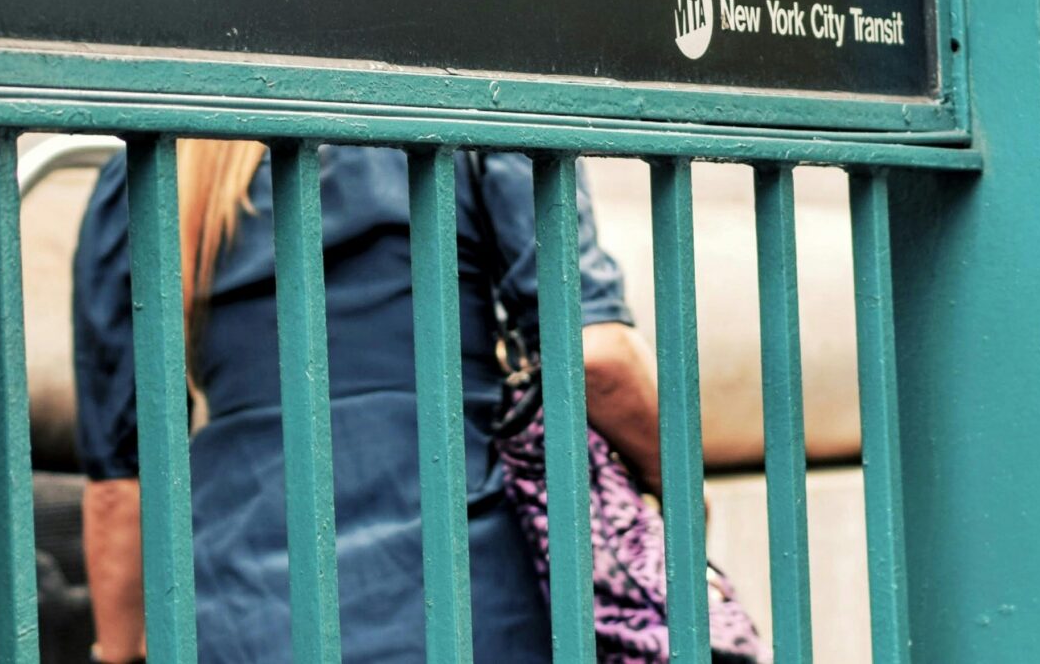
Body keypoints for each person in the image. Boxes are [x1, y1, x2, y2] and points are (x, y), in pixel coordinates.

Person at [73, 140, 662, 663]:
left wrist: (120, 652)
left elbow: (119, 485)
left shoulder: (147, 169)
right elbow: (596, 354)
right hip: (470, 599)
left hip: (246, 612)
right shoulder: (474, 120)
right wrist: (676, 486)